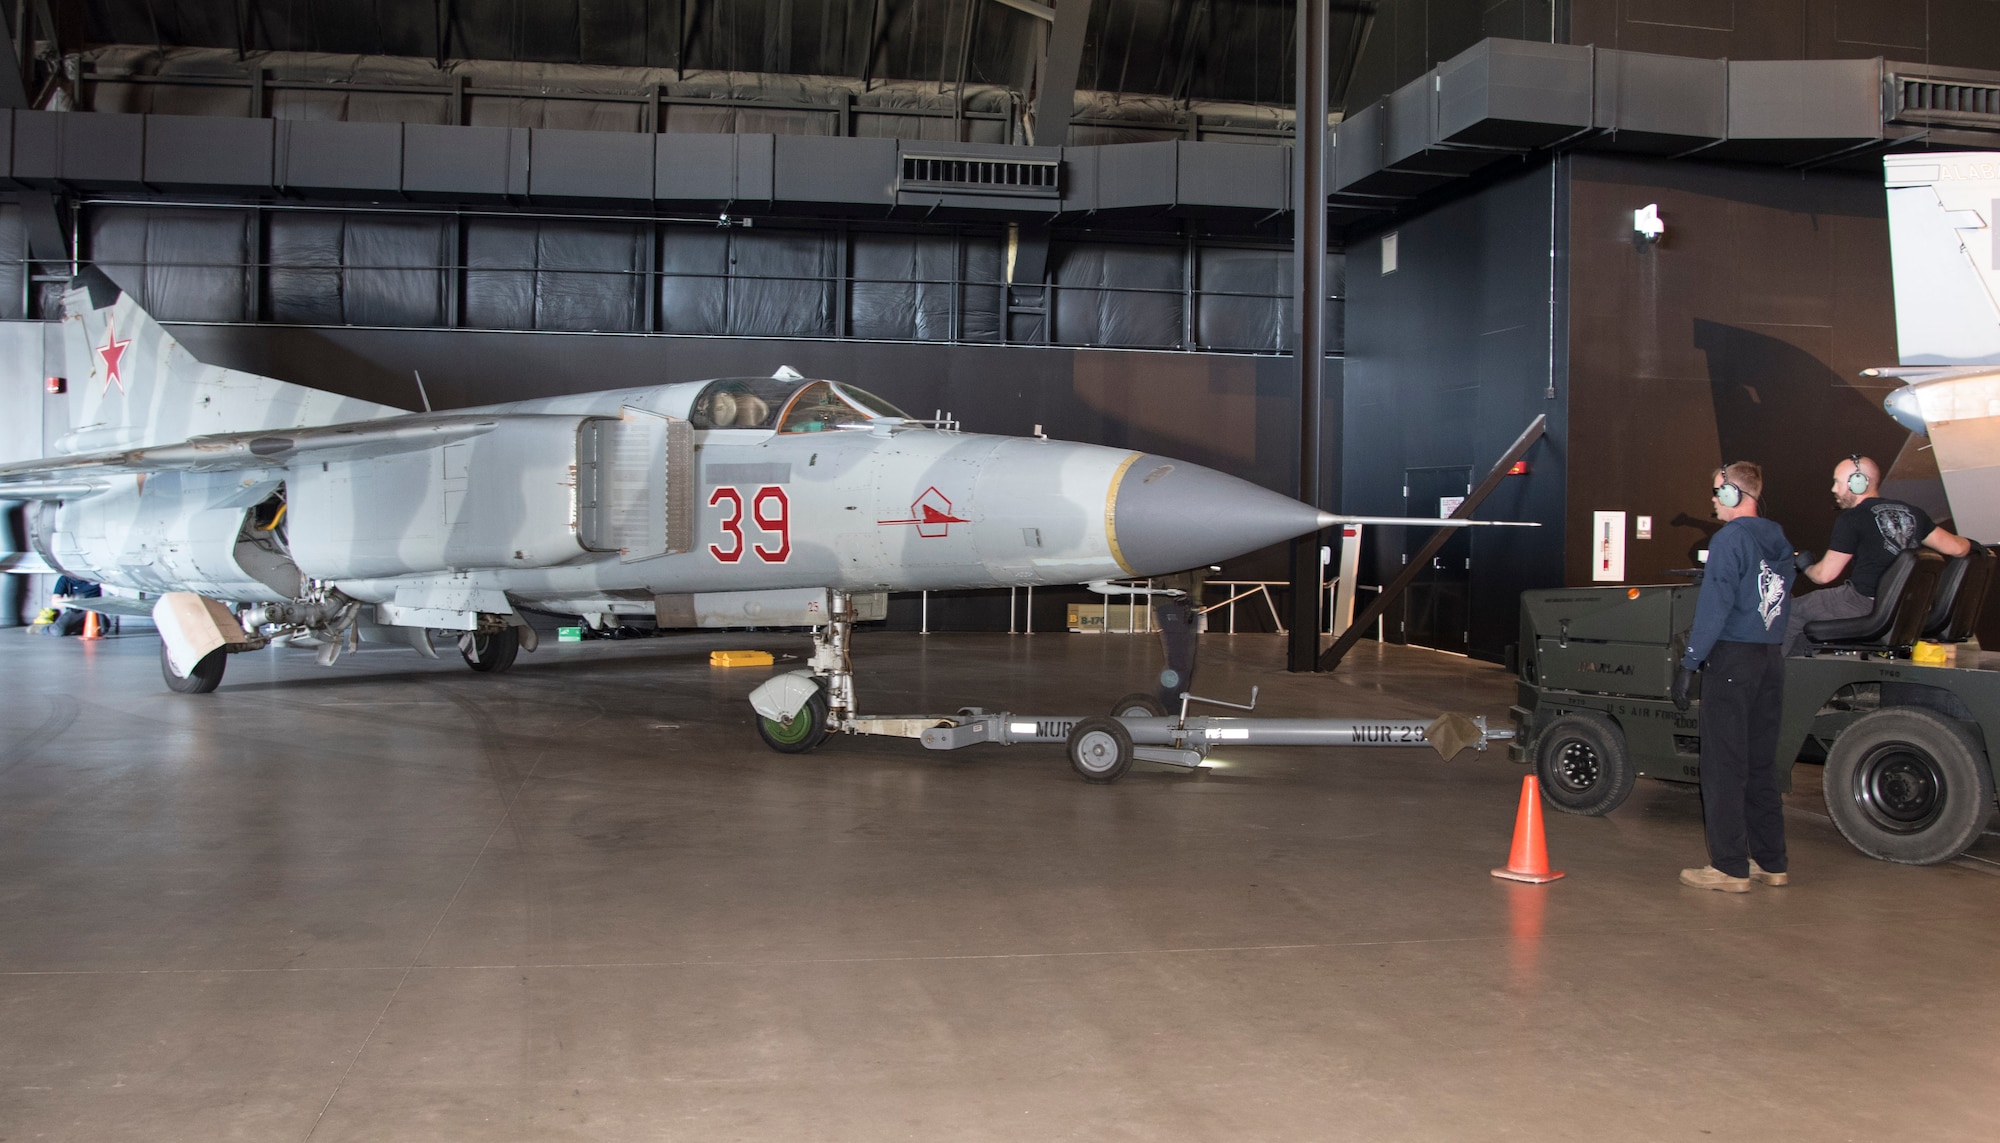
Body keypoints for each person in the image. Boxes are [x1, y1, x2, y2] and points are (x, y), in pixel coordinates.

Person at [1672, 462, 1795, 893]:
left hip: (1732, 661)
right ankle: (1771, 862)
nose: (1711, 500)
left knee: (1724, 766)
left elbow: (1715, 607)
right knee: (1760, 764)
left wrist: (1689, 663)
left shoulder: (1729, 539)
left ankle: (1728, 867)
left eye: (1716, 493)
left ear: (1732, 495)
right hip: (1769, 660)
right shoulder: (1777, 537)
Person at [1783, 454, 1971, 656]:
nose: (1834, 489)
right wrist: (1973, 544)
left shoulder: (1853, 518)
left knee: (1787, 612)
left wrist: (1806, 565)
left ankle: (1773, 683)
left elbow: (1824, 576)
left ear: (1858, 483)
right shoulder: (1914, 513)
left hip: (1862, 602)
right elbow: (1958, 548)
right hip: (1905, 607)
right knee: (1808, 620)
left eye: (1838, 482)